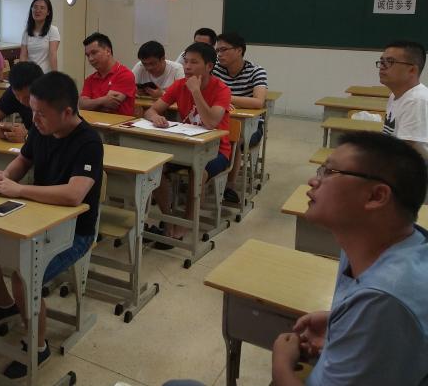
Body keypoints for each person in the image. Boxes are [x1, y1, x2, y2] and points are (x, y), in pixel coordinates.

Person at [164, 132, 428, 386]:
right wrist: (337, 322)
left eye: (330, 172)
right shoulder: (379, 243)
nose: (313, 181)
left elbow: (385, 311)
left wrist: (280, 365)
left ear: (376, 196)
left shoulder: (385, 301)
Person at [0, 71, 103, 379]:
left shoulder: (88, 142)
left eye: (41, 113)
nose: (34, 119)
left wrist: (19, 190)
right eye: (32, 111)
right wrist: (5, 177)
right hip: (35, 220)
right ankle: (4, 306)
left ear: (67, 112)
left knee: (23, 274)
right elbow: (23, 160)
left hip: (74, 232)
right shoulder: (42, 129)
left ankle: (38, 345)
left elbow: (74, 194)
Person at [145, 42, 231, 240]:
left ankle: (188, 222)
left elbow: (211, 122)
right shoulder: (179, 85)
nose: (187, 67)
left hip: (217, 150)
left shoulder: (222, 90)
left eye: (194, 62)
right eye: (186, 62)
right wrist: (155, 117)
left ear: (209, 66)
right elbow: (151, 110)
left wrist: (196, 92)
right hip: (186, 146)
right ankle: (169, 219)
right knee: (154, 169)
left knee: (197, 172)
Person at [212, 32, 268, 203]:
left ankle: (229, 186)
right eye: (217, 50)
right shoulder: (215, 69)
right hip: (219, 120)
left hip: (251, 127)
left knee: (232, 139)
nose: (219, 54)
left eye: (224, 50)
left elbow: (258, 102)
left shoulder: (256, 71)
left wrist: (224, 98)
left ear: (239, 50)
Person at [378, 40, 428, 159]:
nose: (382, 67)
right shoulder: (395, 95)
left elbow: (406, 154)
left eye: (390, 62)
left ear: (412, 70)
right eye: (382, 61)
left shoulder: (417, 100)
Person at [0, 61, 44, 143]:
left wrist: (27, 136)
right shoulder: (14, 92)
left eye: (27, 97)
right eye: (17, 96)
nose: (22, 101)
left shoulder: (52, 97)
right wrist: (0, 130)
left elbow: (55, 137)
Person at [79, 32, 136, 116]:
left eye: (94, 53)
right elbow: (82, 105)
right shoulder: (89, 79)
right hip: (93, 122)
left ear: (108, 51)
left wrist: (91, 104)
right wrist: (103, 101)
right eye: (88, 55)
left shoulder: (125, 74)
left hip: (118, 124)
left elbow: (109, 107)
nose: (90, 59)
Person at [19, 0, 60, 73]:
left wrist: (55, 76)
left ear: (48, 12)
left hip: (45, 75)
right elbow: (23, 56)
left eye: (42, 8)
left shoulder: (53, 30)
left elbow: (53, 55)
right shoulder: (26, 32)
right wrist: (21, 74)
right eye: (35, 7)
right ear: (31, 9)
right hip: (30, 75)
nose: (38, 10)